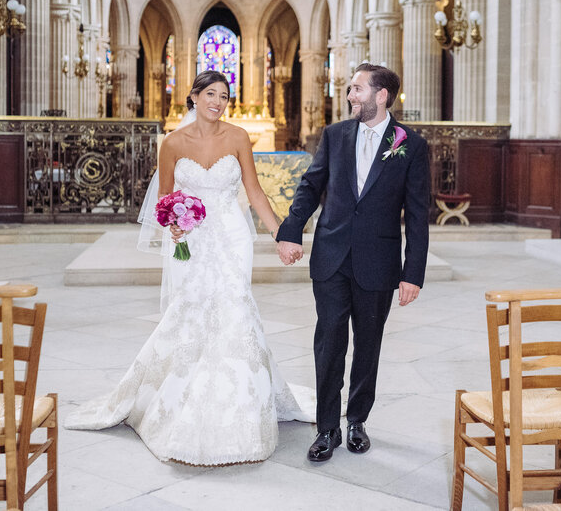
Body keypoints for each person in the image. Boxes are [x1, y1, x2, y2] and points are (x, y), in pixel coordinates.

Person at [67, 70, 310, 465]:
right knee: (192, 312)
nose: (218, 101)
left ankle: (240, 408)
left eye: (224, 96)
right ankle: (183, 401)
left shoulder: (238, 138)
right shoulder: (173, 143)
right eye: (210, 93)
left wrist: (280, 235)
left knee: (235, 310)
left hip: (232, 236)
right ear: (193, 96)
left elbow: (254, 191)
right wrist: (174, 223)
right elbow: (164, 198)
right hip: (191, 240)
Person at [276, 62, 430, 462]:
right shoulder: (334, 135)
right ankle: (327, 427)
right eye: (350, 89)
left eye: (357, 89)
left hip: (377, 261)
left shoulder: (410, 144)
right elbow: (312, 184)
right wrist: (291, 229)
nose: (350, 96)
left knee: (368, 344)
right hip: (330, 256)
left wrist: (412, 273)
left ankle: (357, 420)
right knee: (329, 341)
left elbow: (416, 214)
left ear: (381, 95)